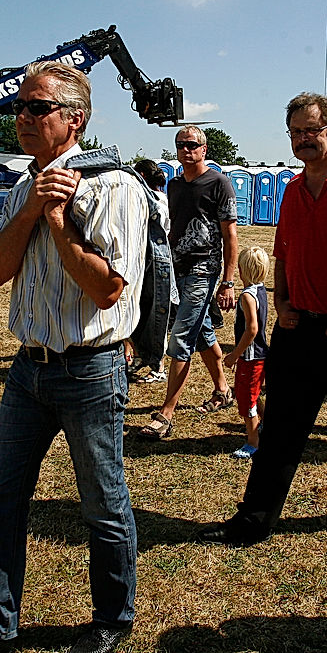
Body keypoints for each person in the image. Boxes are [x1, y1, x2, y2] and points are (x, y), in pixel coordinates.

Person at [0, 61, 147, 653]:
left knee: (102, 499)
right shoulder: (22, 189)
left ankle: (111, 618)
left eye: (37, 108)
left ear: (75, 120)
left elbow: (108, 291)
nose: (22, 118)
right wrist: (27, 211)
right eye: (20, 107)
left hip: (91, 371)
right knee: (4, 496)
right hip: (28, 370)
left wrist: (60, 225)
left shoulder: (114, 187)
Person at [196, 92, 327, 545]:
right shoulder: (292, 189)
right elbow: (284, 252)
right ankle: (255, 519)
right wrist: (285, 302)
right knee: (280, 427)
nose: (303, 139)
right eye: (295, 132)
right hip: (299, 328)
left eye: (312, 130)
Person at [138, 126, 237, 439]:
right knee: (202, 331)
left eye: (192, 145)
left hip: (204, 271)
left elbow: (230, 235)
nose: (185, 150)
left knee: (180, 338)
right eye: (180, 145)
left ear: (204, 149)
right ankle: (223, 390)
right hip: (177, 270)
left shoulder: (219, 183)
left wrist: (228, 280)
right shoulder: (176, 184)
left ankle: (166, 414)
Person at [222, 246, 270, 459]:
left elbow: (252, 329)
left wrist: (234, 354)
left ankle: (253, 442)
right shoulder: (261, 291)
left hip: (250, 357)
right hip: (261, 355)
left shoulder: (247, 297)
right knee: (256, 392)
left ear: (242, 271)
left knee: (246, 398)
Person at [129, 159, 172, 384]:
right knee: (138, 310)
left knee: (155, 313)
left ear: (143, 176)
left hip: (157, 262)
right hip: (143, 260)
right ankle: (139, 356)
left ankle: (159, 366)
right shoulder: (154, 199)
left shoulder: (158, 201)